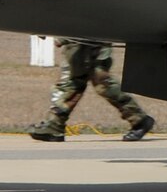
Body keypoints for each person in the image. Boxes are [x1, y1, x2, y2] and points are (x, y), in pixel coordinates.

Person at [26, 39, 156, 143]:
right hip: (76, 41)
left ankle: (139, 119)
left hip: (89, 38)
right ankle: (55, 125)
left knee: (101, 82)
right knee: (73, 82)